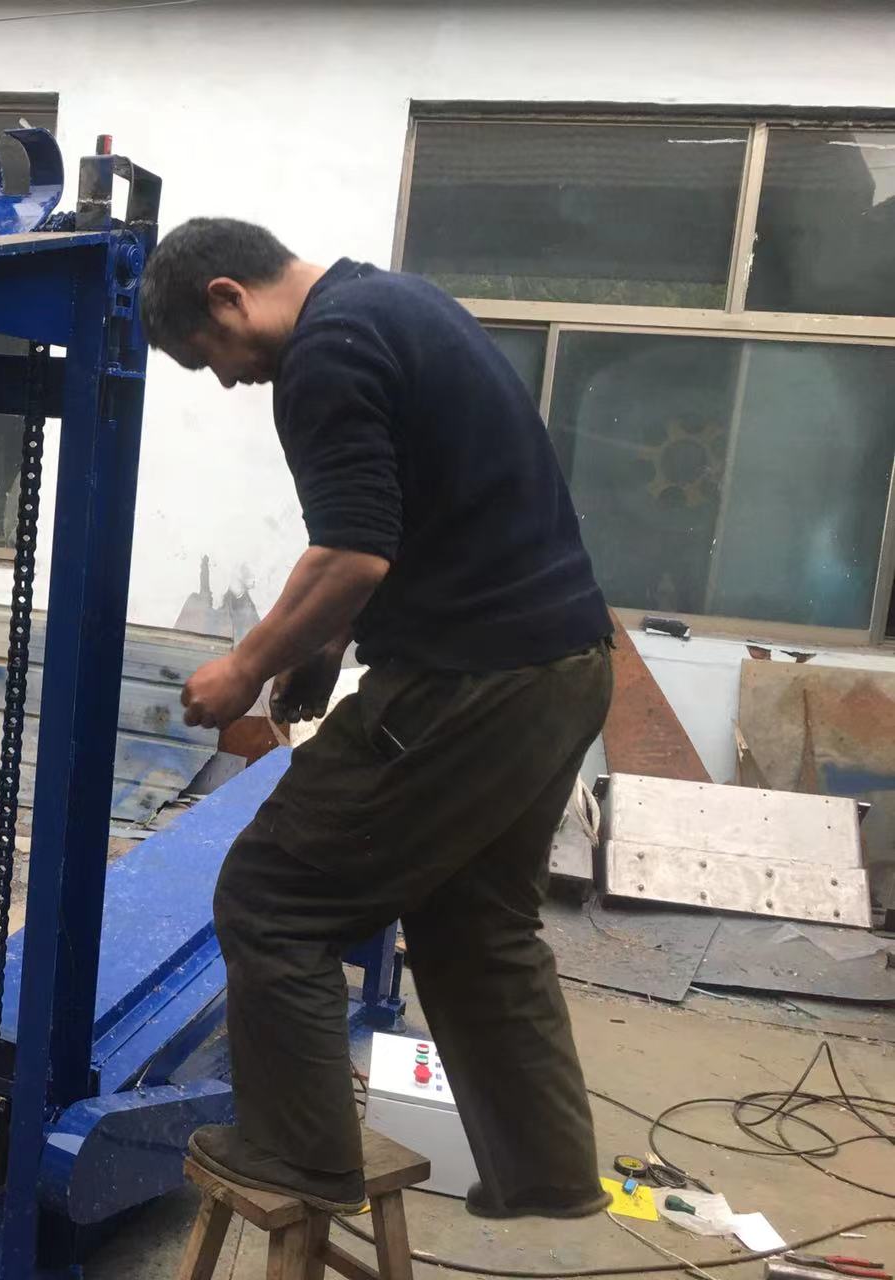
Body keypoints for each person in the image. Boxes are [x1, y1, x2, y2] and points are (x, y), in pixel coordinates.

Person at [141, 218, 615, 1219]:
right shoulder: (398, 304)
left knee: (271, 898)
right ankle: (547, 1170)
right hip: (564, 669)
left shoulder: (325, 352)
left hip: (469, 685)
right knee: (474, 920)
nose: (225, 380)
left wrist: (244, 665)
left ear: (228, 296)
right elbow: (417, 516)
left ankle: (296, 1155)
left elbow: (353, 552)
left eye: (208, 354)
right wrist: (323, 647)